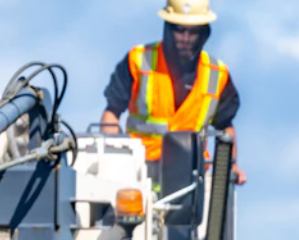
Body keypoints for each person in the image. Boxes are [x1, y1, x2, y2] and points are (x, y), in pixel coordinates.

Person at [100, 0, 246, 185]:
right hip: (136, 176)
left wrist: (231, 167)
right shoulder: (138, 61)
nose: (185, 38)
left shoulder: (217, 74)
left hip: (190, 180)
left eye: (192, 32)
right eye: (179, 30)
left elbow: (225, 127)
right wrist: (110, 157)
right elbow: (112, 112)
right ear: (167, 28)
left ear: (203, 33)